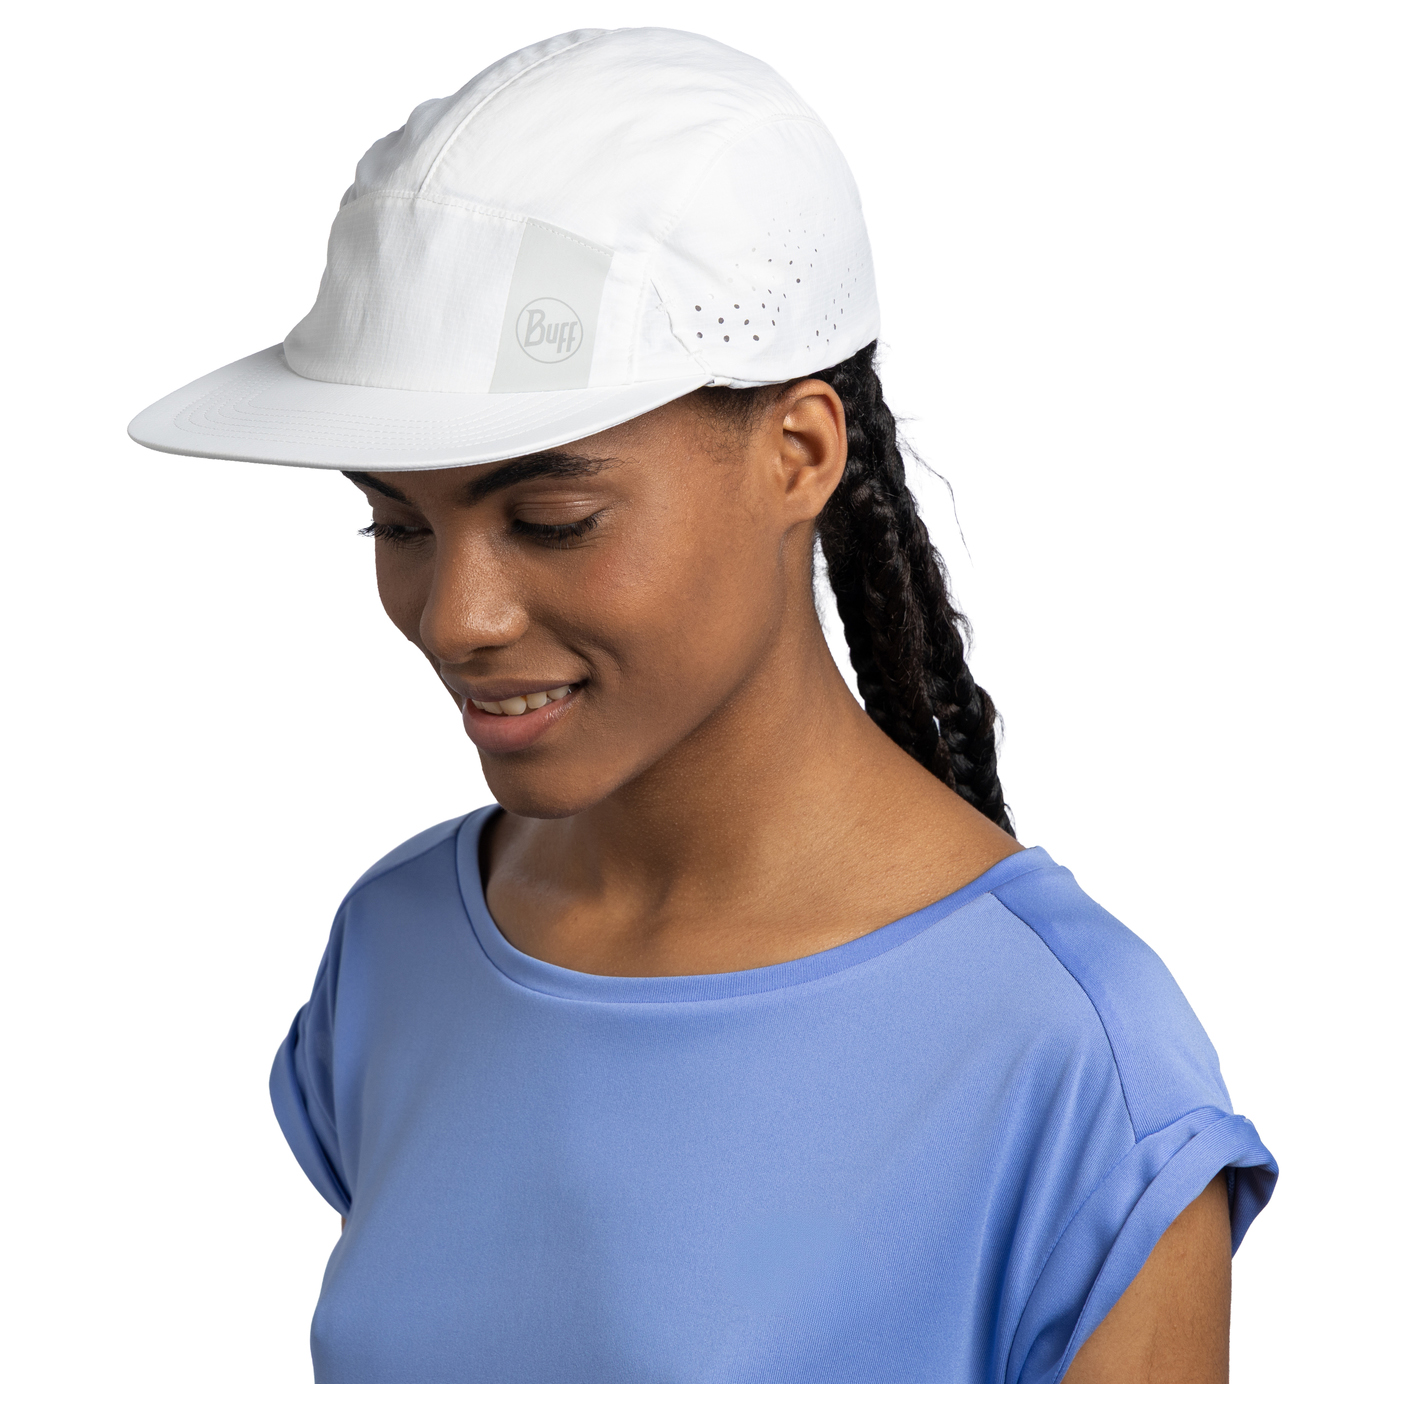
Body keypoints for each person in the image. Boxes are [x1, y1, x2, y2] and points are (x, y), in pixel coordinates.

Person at [128, 27, 1276, 1385]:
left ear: (796, 453)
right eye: (397, 524)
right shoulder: (396, 947)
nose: (454, 617)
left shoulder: (1075, 1066)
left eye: (551, 518)